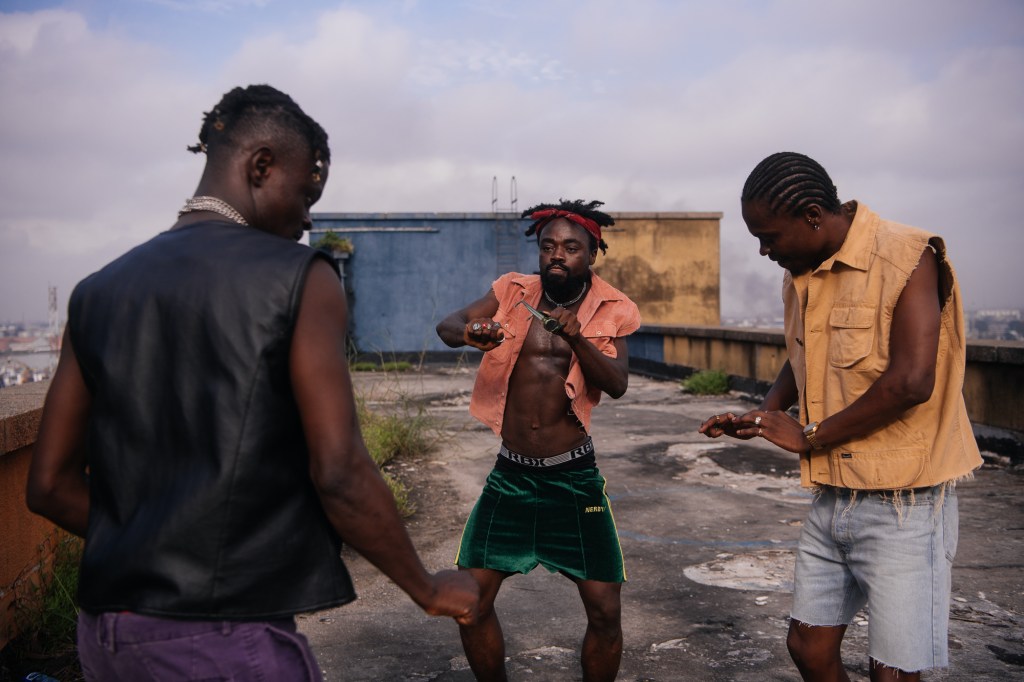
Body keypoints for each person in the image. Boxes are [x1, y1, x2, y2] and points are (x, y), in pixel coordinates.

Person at [26, 84, 478, 680]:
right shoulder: (300, 279)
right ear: (262, 165)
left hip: (106, 637)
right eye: (307, 192)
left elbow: (51, 486)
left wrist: (152, 541)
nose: (308, 217)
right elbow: (339, 470)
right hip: (221, 640)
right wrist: (427, 587)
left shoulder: (98, 291)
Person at [699, 152, 982, 682]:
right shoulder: (803, 271)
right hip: (835, 493)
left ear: (811, 215)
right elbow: (806, 350)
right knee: (807, 646)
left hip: (905, 502)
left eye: (769, 236)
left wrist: (809, 436)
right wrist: (764, 413)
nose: (763, 250)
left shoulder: (907, 256)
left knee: (892, 671)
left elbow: (912, 381)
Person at [436, 199, 641, 682]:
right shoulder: (512, 291)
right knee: (470, 602)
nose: (557, 255)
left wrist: (577, 340)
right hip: (510, 478)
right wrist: (473, 331)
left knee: (605, 613)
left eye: (571, 247)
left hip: (574, 480)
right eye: (548, 245)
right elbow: (447, 326)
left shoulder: (613, 307)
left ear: (592, 253)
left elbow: (616, 383)